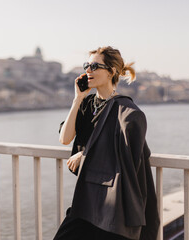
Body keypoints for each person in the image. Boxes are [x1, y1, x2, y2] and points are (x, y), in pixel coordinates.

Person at [54, 46, 159, 240]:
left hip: (110, 202)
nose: (88, 70)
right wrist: (78, 98)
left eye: (95, 66)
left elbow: (127, 154)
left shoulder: (125, 110)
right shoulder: (87, 103)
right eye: (87, 65)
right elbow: (65, 138)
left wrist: (85, 155)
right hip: (86, 197)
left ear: (111, 71)